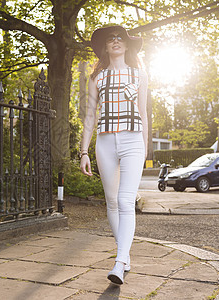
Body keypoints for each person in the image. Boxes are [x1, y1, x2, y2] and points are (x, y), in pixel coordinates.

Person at [80, 24, 148, 285]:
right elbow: (89, 117)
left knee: (125, 200)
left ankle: (119, 263)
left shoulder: (139, 75)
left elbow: (143, 114)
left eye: (121, 38)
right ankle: (125, 252)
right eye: (111, 39)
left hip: (133, 141)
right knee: (111, 201)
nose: (116, 41)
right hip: (105, 143)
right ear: (106, 47)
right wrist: (83, 151)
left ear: (127, 45)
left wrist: (145, 150)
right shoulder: (97, 78)